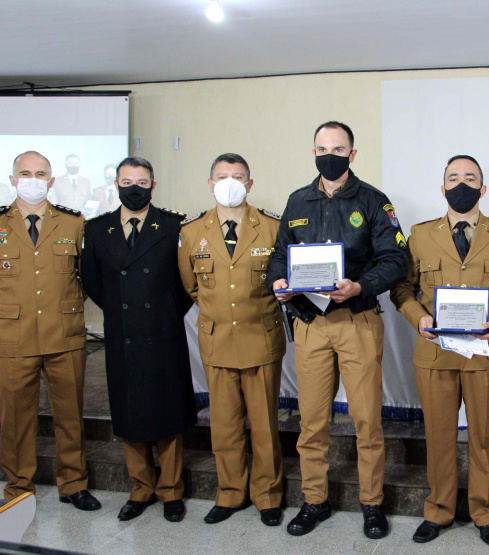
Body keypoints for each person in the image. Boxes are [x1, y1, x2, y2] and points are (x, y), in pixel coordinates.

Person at [267, 121, 409, 540]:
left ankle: (372, 503)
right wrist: (278, 281)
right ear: (313, 153)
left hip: (357, 320)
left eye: (338, 149)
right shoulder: (297, 200)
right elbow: (279, 255)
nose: (329, 155)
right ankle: (315, 500)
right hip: (311, 324)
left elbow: (396, 259)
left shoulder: (373, 201)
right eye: (322, 149)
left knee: (367, 421)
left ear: (352, 154)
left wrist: (360, 286)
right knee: (312, 422)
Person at [390, 155, 489, 546]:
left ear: (483, 188)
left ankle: (484, 512)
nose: (461, 184)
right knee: (438, 436)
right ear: (443, 188)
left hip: (485, 352)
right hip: (435, 353)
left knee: (483, 438)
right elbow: (401, 289)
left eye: (470, 178)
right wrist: (418, 317)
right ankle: (439, 510)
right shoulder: (420, 235)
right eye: (453, 178)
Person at [81, 156, 197, 523]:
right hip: (123, 333)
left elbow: (187, 283)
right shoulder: (97, 229)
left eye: (142, 182)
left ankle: (171, 490)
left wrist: (164, 311)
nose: (135, 188)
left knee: (168, 412)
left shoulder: (174, 225)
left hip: (163, 331)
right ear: (116, 184)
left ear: (153, 185)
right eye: (127, 181)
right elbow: (92, 281)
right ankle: (140, 488)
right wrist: (122, 311)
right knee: (129, 412)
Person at [178, 153, 285, 527]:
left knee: (265, 425)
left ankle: (267, 495)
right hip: (218, 339)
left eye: (237, 176)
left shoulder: (272, 227)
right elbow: (192, 286)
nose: (229, 183)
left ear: (250, 184)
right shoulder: (191, 231)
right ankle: (230, 493)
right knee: (224, 426)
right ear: (210, 184)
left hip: (261, 338)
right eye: (222, 176)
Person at [0, 151, 100, 511]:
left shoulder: (74, 223)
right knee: (15, 419)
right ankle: (18, 487)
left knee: (70, 415)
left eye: (40, 174)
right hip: (13, 336)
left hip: (64, 334)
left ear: (51, 181)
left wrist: (66, 305)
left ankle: (73, 484)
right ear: (13, 180)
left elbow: (87, 277)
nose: (33, 180)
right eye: (25, 173)